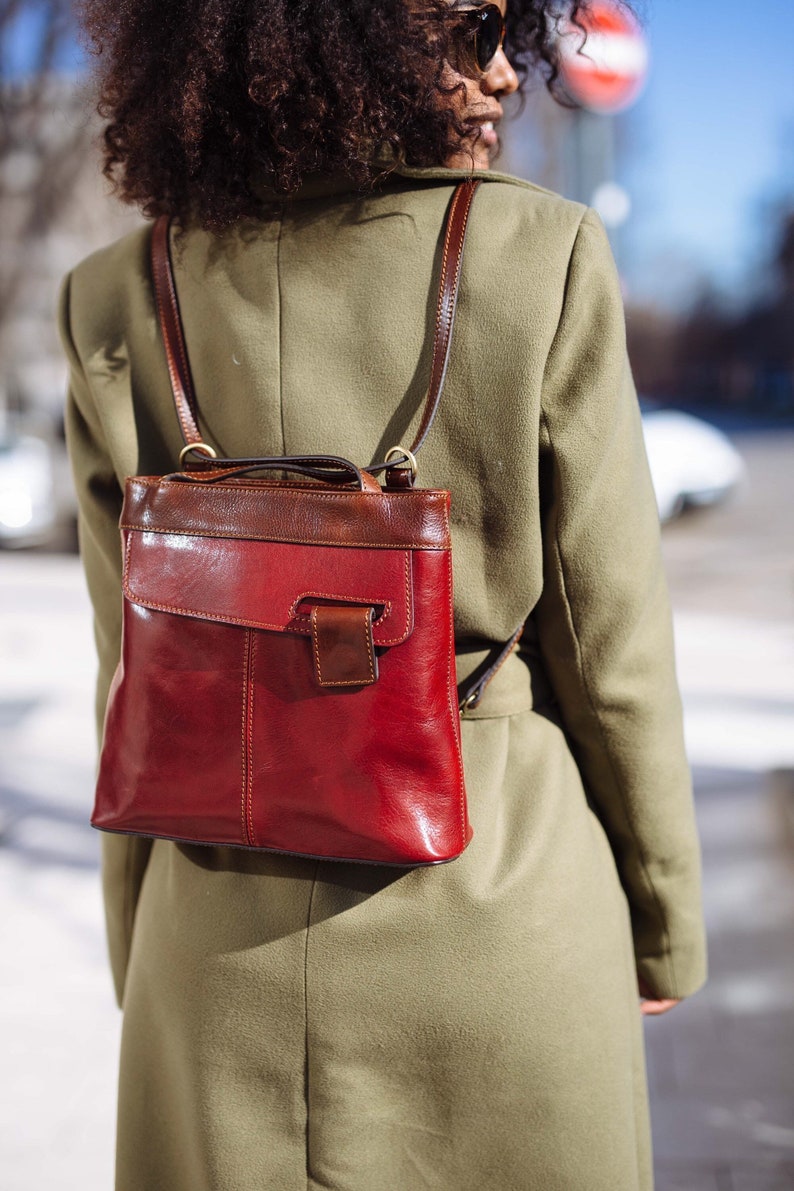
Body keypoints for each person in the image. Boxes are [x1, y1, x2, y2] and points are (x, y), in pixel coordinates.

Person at [60, 1, 707, 1187]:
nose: (509, 73)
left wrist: (138, 938)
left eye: (519, 33)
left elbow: (131, 668)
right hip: (494, 905)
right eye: (478, 27)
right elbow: (607, 648)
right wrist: (662, 924)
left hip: (210, 932)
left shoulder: (118, 291)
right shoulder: (539, 253)